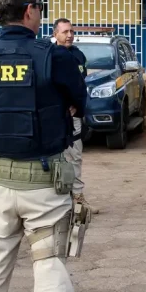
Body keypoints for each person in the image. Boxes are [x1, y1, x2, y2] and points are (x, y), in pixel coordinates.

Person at [0, 0, 88, 292]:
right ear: (30, 10)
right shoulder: (54, 56)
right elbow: (79, 104)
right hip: (43, 183)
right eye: (39, 7)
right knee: (49, 268)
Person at [53, 18, 98, 214]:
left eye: (71, 31)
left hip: (75, 116)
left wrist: (77, 106)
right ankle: (59, 201)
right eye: (65, 32)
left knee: (76, 157)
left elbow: (80, 84)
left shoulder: (78, 55)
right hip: (55, 116)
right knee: (57, 158)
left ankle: (78, 200)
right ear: (55, 34)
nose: (69, 35)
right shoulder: (50, 55)